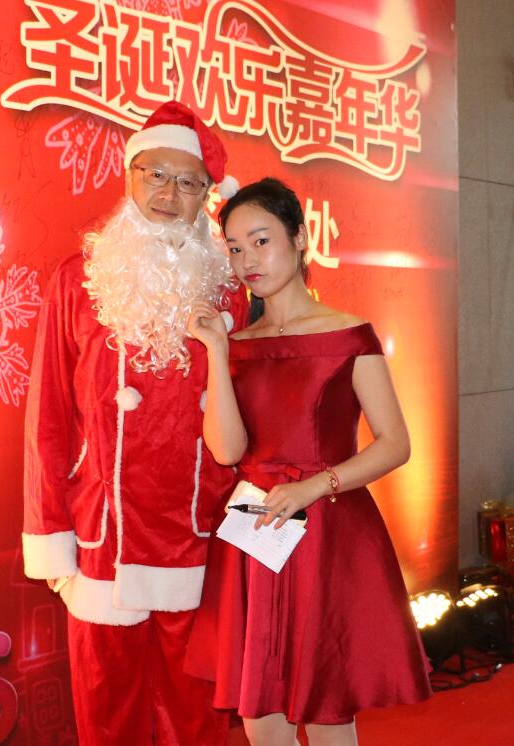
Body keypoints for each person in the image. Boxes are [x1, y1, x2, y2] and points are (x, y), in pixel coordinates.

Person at [20, 101, 244, 745]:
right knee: (106, 715)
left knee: (196, 718)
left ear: (207, 195)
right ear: (129, 176)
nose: (170, 195)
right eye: (157, 176)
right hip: (103, 535)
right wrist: (53, 538)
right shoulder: (78, 281)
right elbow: (47, 421)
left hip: (197, 533)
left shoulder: (229, 289)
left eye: (189, 182)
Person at [183, 178, 431, 745]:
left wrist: (316, 486)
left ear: (299, 239)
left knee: (326, 708)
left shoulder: (349, 336)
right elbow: (227, 451)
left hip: (330, 531)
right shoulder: (237, 345)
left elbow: (395, 443)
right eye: (236, 248)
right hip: (255, 532)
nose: (248, 260)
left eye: (261, 240)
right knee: (260, 719)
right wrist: (218, 352)